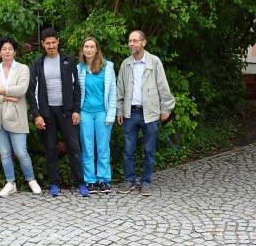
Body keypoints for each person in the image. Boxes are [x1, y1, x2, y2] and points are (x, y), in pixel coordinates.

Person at [28, 27, 89, 197]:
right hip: (47, 112)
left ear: (58, 41)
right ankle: (54, 183)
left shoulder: (68, 61)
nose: (51, 46)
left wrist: (76, 110)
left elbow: (77, 87)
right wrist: (37, 115)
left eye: (53, 42)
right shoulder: (38, 64)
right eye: (47, 43)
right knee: (50, 148)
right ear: (43, 44)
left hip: (67, 111)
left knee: (74, 147)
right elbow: (32, 91)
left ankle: (80, 182)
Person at [116, 30, 175, 196]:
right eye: (130, 41)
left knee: (149, 150)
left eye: (135, 41)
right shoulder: (126, 64)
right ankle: (129, 180)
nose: (131, 44)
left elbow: (163, 86)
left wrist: (166, 108)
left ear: (144, 42)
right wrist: (119, 110)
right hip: (130, 113)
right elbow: (120, 89)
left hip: (150, 113)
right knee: (128, 150)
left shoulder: (154, 62)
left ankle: (146, 182)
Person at [0, 36, 42, 197]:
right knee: (4, 153)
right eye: (4, 49)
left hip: (16, 117)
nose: (7, 51)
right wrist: (7, 97)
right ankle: (10, 183)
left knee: (21, 152)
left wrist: (1, 90)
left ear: (15, 52)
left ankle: (31, 180)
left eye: (10, 49)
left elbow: (21, 90)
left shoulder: (22, 69)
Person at [77, 37, 116, 194]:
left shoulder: (107, 67)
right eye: (86, 46)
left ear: (97, 49)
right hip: (85, 113)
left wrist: (111, 114)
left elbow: (113, 92)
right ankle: (90, 180)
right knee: (87, 147)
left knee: (103, 147)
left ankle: (104, 179)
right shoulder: (79, 68)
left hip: (102, 113)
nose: (89, 49)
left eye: (92, 46)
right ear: (82, 49)